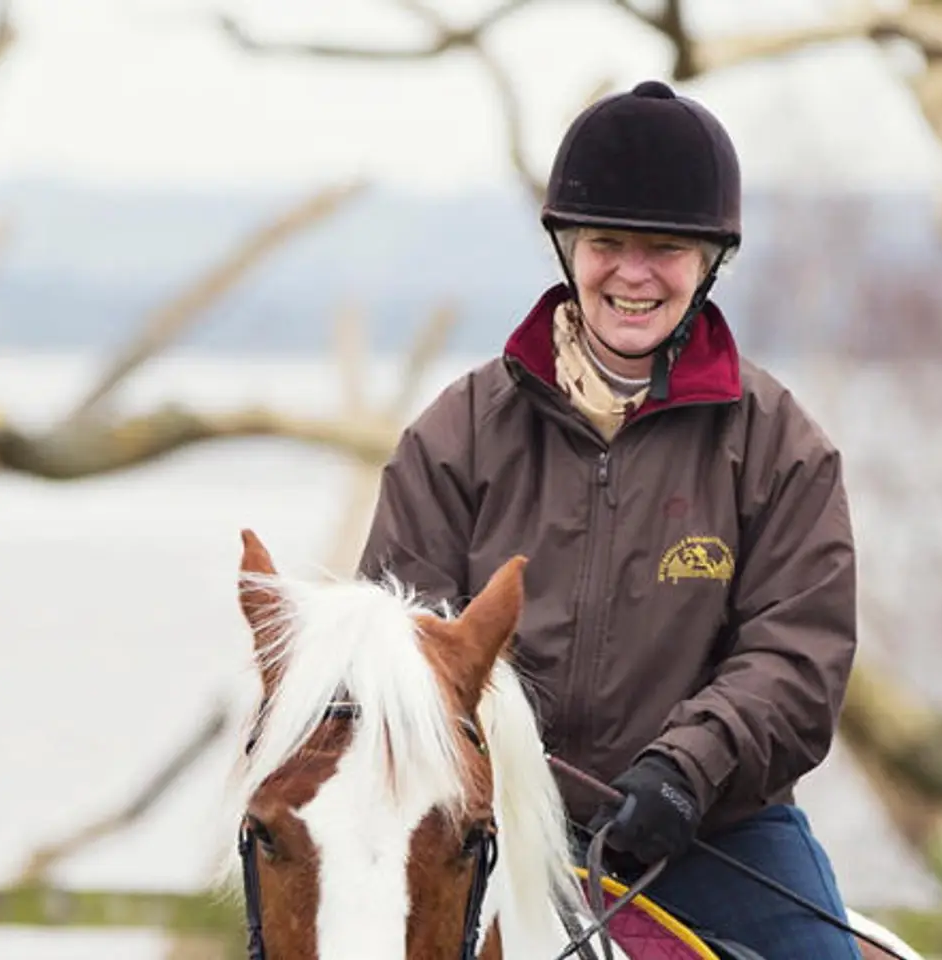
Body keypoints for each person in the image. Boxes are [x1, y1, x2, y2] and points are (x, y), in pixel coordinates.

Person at [357, 79, 864, 959]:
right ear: (569, 249)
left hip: (710, 831)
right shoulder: (457, 434)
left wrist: (686, 767)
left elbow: (797, 659)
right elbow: (394, 646)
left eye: (665, 248)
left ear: (709, 262)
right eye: (607, 244)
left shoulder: (783, 447)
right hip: (487, 827)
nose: (633, 274)